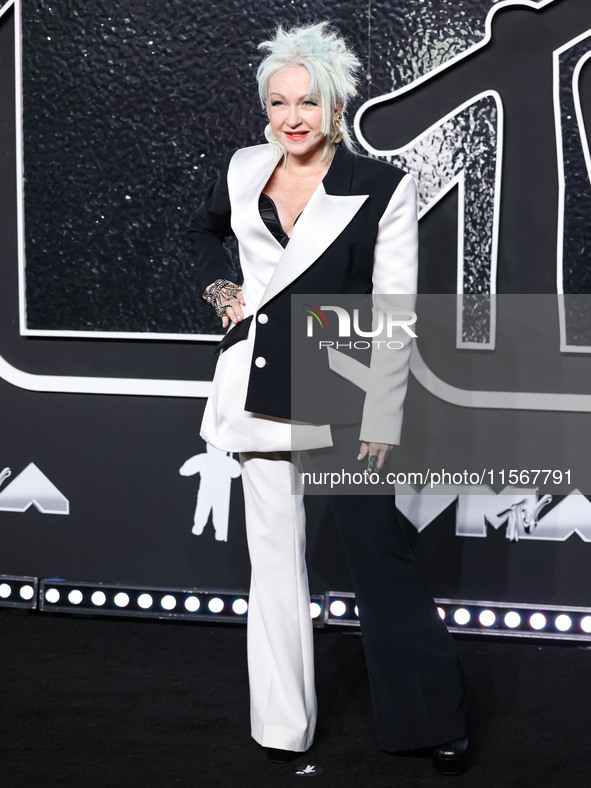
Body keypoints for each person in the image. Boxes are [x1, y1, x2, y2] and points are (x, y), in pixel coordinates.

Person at [189, 21, 469, 776]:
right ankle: (282, 727)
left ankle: (427, 722)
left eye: (307, 102)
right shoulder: (245, 168)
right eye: (278, 102)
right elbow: (199, 231)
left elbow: (396, 307)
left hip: (338, 386)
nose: (291, 117)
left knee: (379, 555)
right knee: (273, 560)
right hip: (253, 384)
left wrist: (383, 409)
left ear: (336, 106)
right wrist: (221, 287)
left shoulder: (379, 185)